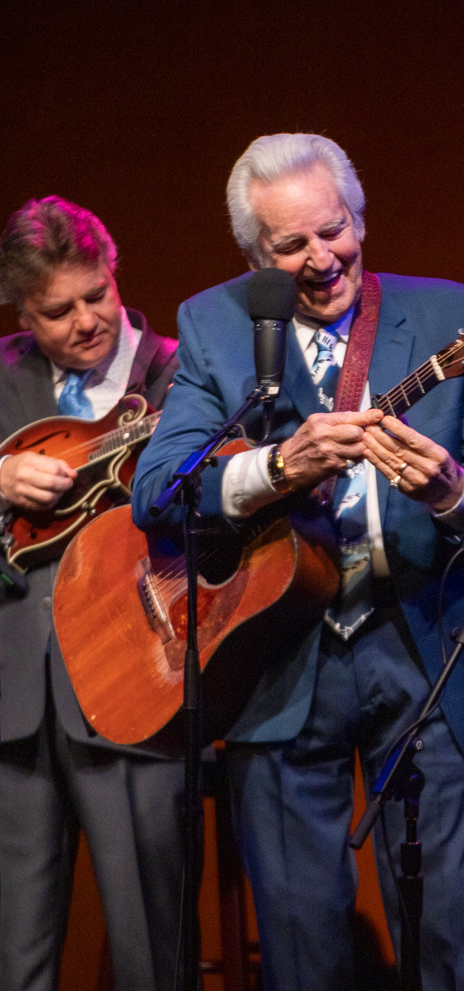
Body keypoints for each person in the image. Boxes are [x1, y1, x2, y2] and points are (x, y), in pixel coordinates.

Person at [132, 133, 464, 991]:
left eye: (335, 230)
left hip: (426, 651)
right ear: (256, 258)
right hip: (276, 663)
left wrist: (450, 489)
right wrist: (276, 468)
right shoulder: (215, 323)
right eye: (291, 247)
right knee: (300, 955)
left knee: (445, 946)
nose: (322, 259)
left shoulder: (452, 316)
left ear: (358, 217)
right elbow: (159, 489)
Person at [0, 197, 184, 991]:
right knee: (17, 950)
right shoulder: (3, 378)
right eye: (55, 311)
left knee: (152, 947)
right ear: (21, 313)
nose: (83, 322)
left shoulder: (180, 371)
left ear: (115, 275)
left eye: (95, 296)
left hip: (130, 681)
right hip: (14, 698)